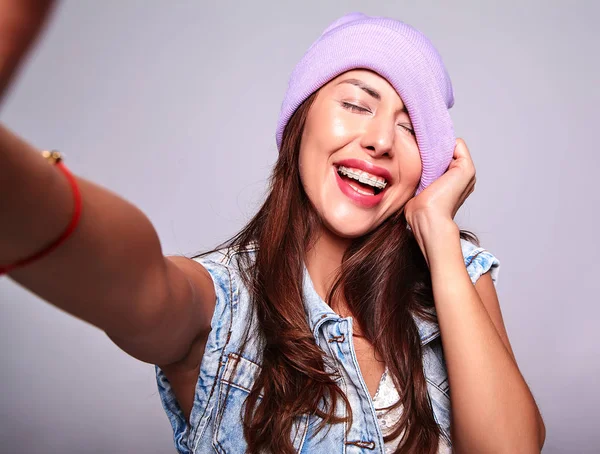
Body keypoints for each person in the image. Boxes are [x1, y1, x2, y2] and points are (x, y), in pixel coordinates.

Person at [0, 3, 545, 453]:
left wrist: (438, 231)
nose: (380, 139)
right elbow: (132, 279)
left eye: (409, 128)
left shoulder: (455, 275)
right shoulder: (223, 308)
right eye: (357, 103)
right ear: (299, 121)